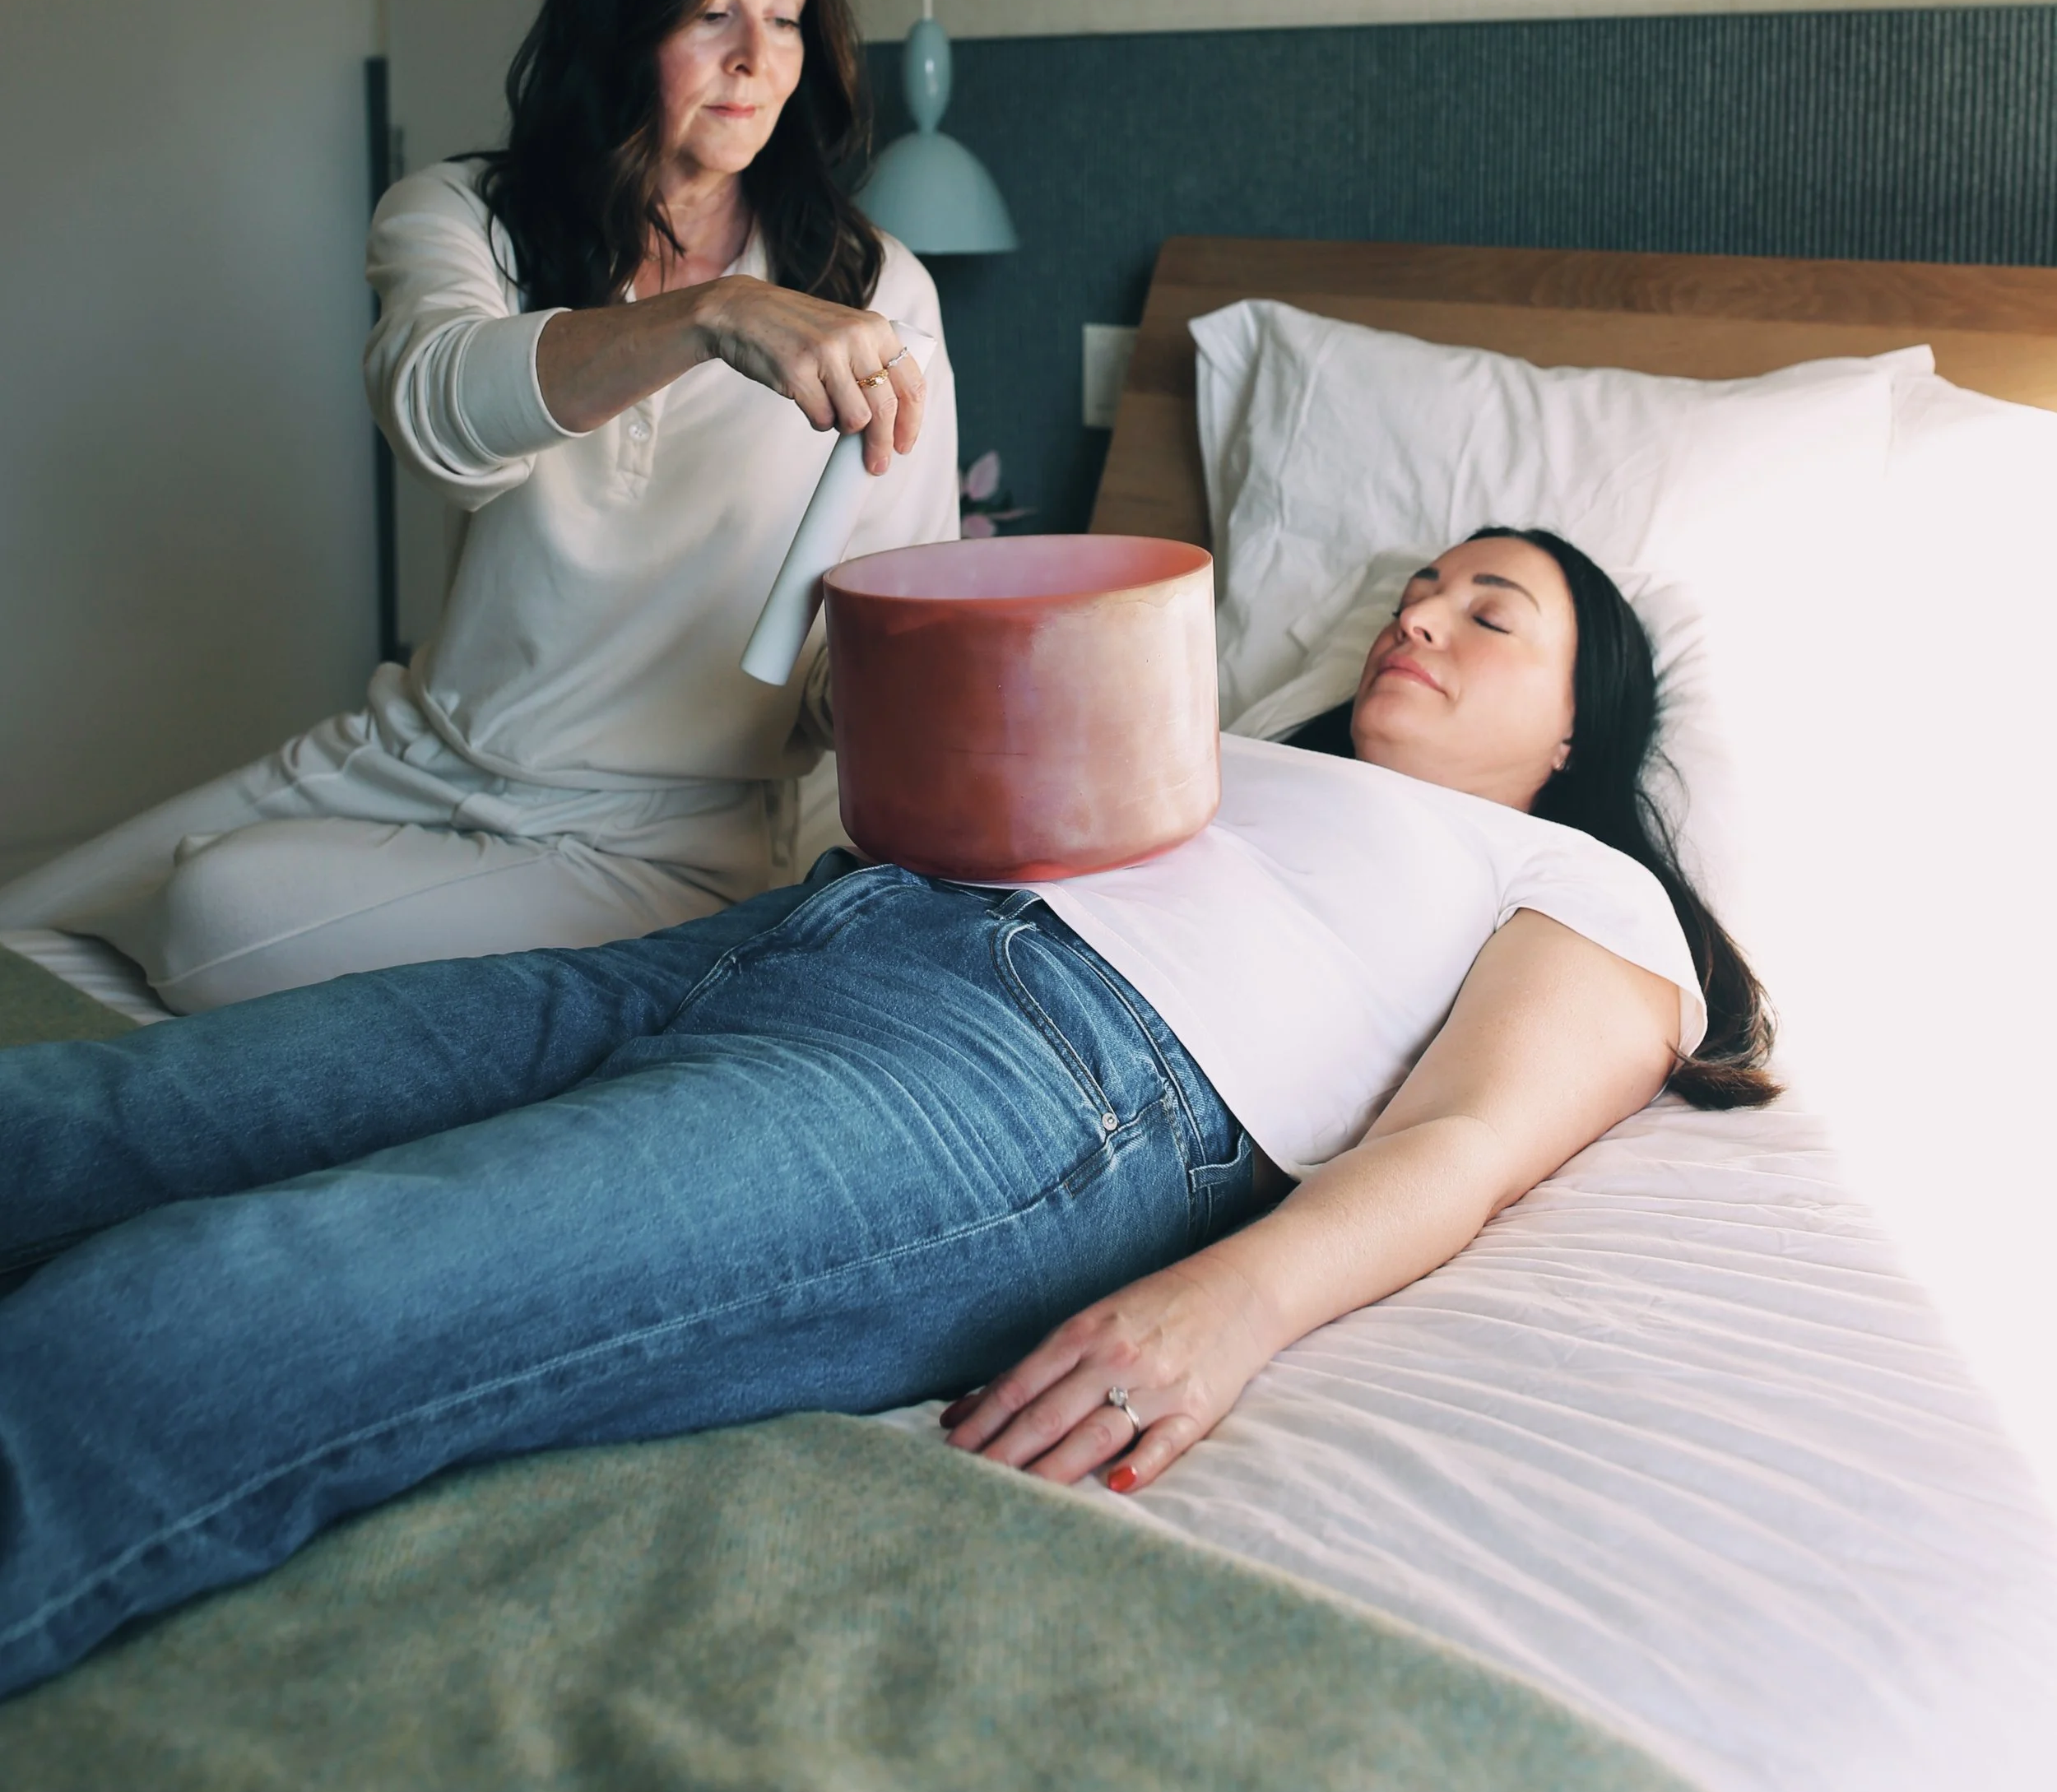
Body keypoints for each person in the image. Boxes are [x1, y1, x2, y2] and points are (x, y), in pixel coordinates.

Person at [0, 528, 1777, 1701]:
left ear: (1572, 730)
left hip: (1032, 1073)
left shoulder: (1573, 878)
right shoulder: (1226, 746)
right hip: (791, 933)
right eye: (1421, 582)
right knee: (104, 1114)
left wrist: (1232, 1304)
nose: (1418, 615)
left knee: (229, 1300)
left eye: (1492, 613)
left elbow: (1462, 1142)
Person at [0, 0, 957, 1016]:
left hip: (661, 836)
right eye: (713, 14)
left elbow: (871, 630)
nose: (759, 59)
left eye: (789, 16)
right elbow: (442, 409)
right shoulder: (465, 218)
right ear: (622, 22)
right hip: (413, 759)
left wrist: (904, 681)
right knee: (33, 934)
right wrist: (715, 316)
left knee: (211, 917)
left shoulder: (877, 292)